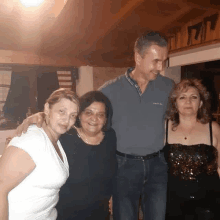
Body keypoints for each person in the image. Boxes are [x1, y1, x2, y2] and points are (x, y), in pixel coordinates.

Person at [99, 31, 174, 220]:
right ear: (138, 57)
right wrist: (42, 116)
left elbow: (191, 105)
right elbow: (79, 114)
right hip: (124, 166)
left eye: (164, 61)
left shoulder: (169, 87)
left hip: (157, 165)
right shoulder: (108, 90)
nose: (161, 67)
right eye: (156, 61)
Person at [14, 91, 117, 220]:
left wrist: (113, 195)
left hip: (100, 213)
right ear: (79, 115)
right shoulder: (65, 136)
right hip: (67, 214)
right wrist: (38, 116)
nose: (94, 119)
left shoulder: (110, 137)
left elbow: (112, 171)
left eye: (100, 115)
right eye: (88, 112)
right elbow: (49, 124)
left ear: (106, 118)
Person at [0, 88, 79, 220]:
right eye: (61, 111)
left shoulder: (56, 140)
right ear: (47, 109)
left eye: (73, 115)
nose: (67, 119)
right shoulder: (33, 140)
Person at [164, 79, 220, 220]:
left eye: (193, 97)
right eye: (182, 97)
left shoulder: (213, 128)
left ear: (200, 103)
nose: (188, 102)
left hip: (208, 204)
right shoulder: (163, 128)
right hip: (171, 202)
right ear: (175, 104)